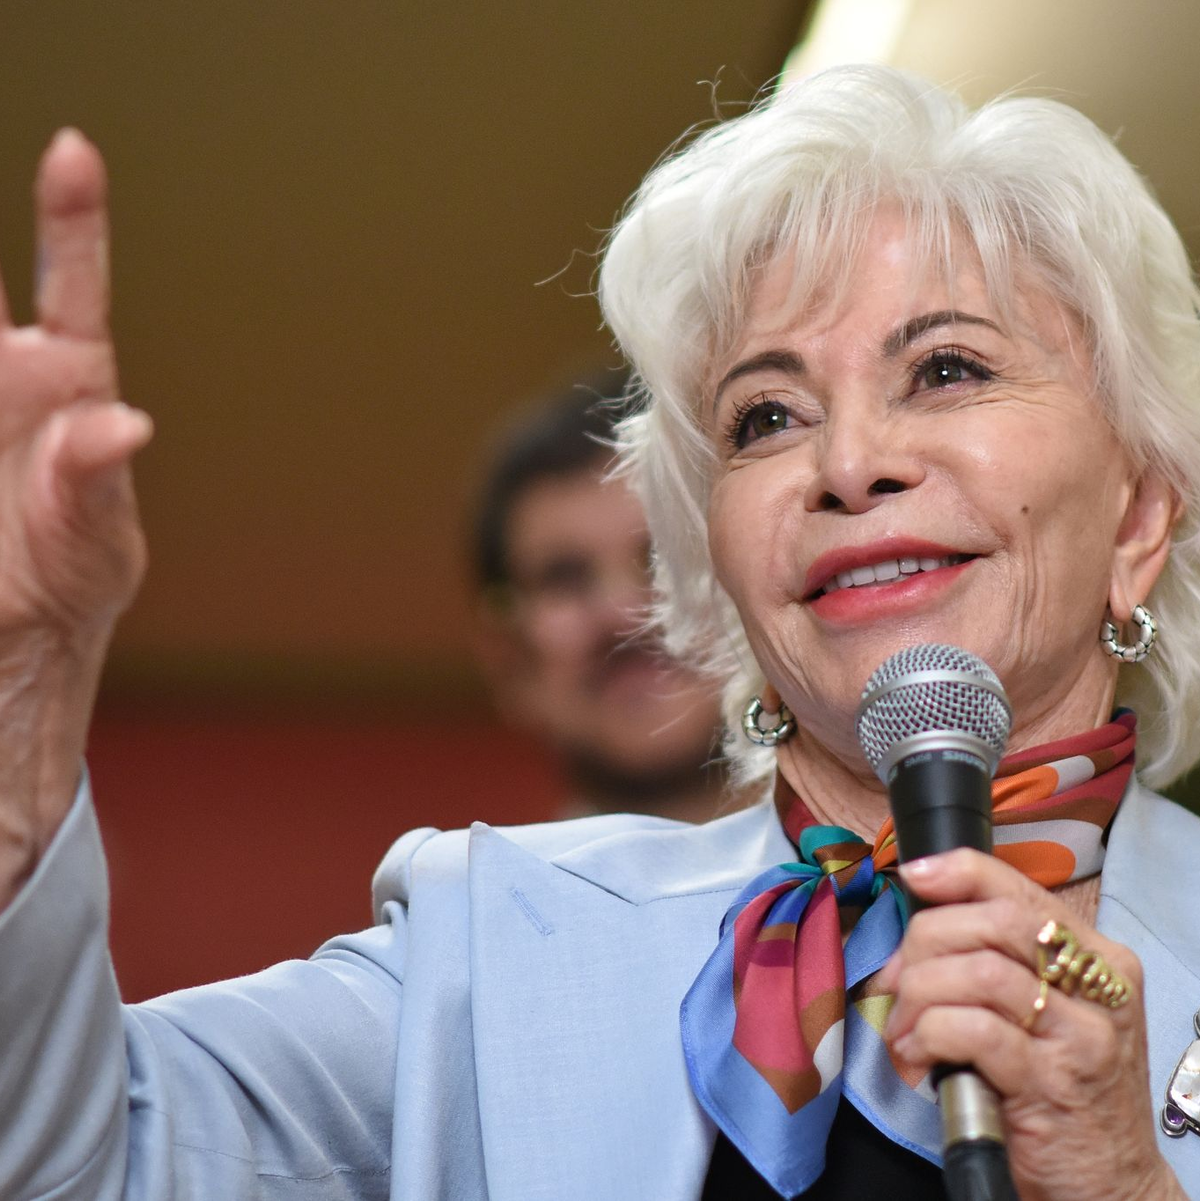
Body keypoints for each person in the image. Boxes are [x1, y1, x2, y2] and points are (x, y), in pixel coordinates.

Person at [0, 64, 1199, 1199]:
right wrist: (23, 688)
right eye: (767, 416)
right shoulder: (492, 951)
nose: (848, 463)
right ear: (720, 565)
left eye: (945, 368)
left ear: (1142, 512)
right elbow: (75, 1161)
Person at [471, 380, 729, 822]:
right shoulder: (458, 892)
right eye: (564, 578)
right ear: (507, 656)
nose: (624, 612)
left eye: (660, 556)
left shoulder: (884, 876)